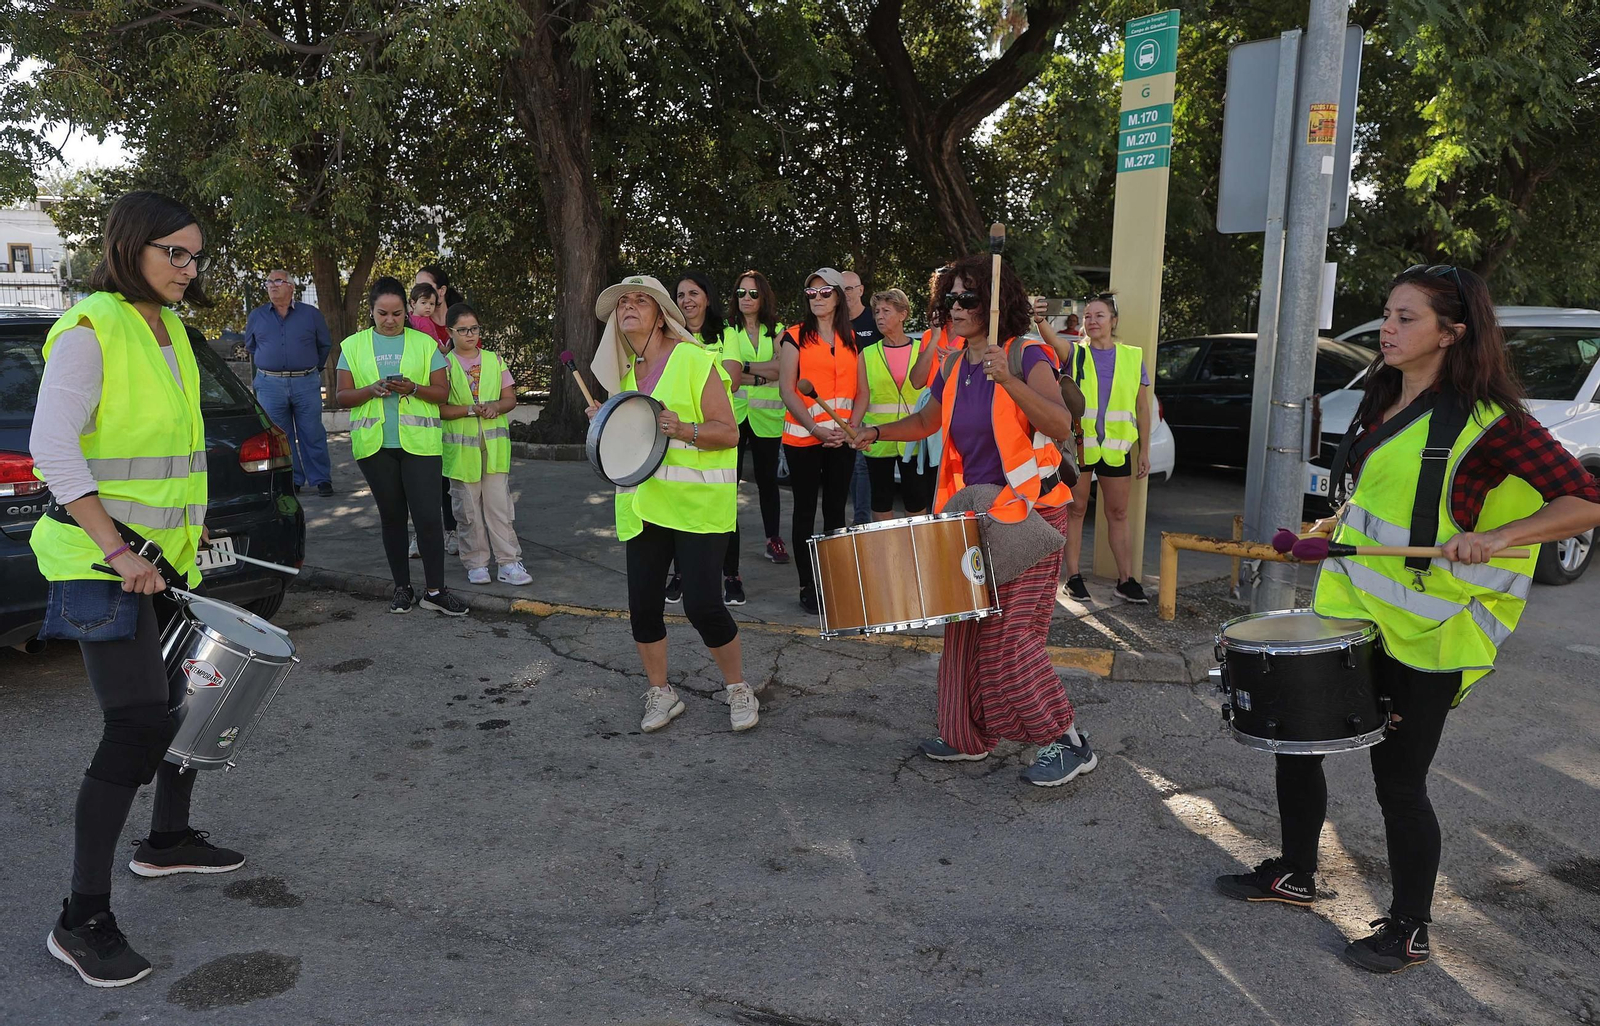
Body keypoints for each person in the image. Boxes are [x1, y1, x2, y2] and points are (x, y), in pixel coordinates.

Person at [1215, 264, 1600, 973]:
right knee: (1295, 742)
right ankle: (1294, 872)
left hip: (1427, 634)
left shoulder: (1495, 424)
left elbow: (1584, 501)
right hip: (1349, 609)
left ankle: (1411, 927)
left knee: (1399, 784)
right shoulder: (1381, 396)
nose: (1387, 330)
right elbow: (1381, 497)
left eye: (1405, 318)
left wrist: (1501, 536)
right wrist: (1329, 525)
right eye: (1386, 315)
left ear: (1452, 334)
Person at [29, 191, 246, 988]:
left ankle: (167, 842)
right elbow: (52, 446)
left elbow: (174, 453)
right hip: (101, 562)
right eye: (173, 254)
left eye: (195, 255)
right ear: (131, 248)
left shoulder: (173, 333)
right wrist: (119, 551)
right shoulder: (93, 328)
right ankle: (80, 919)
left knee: (187, 697)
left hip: (166, 556)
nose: (188, 269)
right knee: (136, 724)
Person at [856, 254, 1087, 787]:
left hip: (1031, 517)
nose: (953, 308)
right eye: (949, 299)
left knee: (1012, 637)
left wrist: (1008, 380)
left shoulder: (1025, 354)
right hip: (976, 513)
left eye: (966, 298)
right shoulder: (957, 361)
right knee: (964, 631)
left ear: (994, 301)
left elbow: (1059, 422)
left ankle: (1066, 739)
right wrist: (874, 433)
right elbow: (926, 421)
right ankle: (967, 736)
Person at [585, 275, 760, 733]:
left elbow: (729, 432)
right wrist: (605, 423)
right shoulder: (626, 377)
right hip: (645, 506)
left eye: (641, 300)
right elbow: (629, 448)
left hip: (698, 505)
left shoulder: (693, 360)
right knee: (643, 607)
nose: (629, 306)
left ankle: (738, 687)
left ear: (661, 315)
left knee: (703, 605)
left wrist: (685, 430)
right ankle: (661, 693)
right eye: (624, 300)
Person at [334, 277, 470, 616]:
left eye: (397, 313)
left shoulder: (424, 344)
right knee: (392, 517)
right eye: (382, 313)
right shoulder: (353, 345)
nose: (390, 320)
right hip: (375, 446)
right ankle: (402, 589)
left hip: (420, 445)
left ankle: (436, 591)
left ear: (406, 312)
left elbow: (441, 393)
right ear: (371, 311)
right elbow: (342, 396)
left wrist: (412, 388)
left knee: (427, 517)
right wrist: (372, 389)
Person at [780, 267, 861, 614]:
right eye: (811, 293)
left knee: (835, 513)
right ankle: (807, 586)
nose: (817, 298)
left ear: (839, 296)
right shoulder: (794, 335)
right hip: (803, 440)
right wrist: (815, 430)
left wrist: (850, 428)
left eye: (825, 292)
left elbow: (863, 392)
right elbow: (787, 389)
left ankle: (832, 582)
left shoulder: (853, 338)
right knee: (805, 511)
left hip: (841, 440)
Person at [1062, 293, 1152, 604]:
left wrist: (1144, 451)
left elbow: (1142, 408)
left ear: (1113, 322)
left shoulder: (1132, 356)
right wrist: (1039, 321)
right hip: (1081, 445)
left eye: (1099, 315)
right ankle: (1073, 577)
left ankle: (1126, 580)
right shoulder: (1075, 353)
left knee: (1118, 512)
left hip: (1116, 448)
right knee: (1076, 510)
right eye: (1087, 316)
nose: (1092, 321)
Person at [440, 302, 530, 586]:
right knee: (467, 509)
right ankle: (476, 563)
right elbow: (440, 408)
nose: (470, 334)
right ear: (450, 332)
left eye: (474, 328)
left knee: (499, 507)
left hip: (494, 448)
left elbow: (510, 399)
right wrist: (470, 410)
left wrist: (496, 407)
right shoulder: (443, 364)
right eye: (463, 330)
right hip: (461, 451)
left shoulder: (494, 360)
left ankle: (509, 562)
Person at [676, 272, 747, 605]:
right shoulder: (668, 335)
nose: (687, 300)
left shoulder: (726, 333)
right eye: (680, 295)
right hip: (678, 433)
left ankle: (730, 576)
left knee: (723, 506)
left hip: (718, 431)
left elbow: (731, 379)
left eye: (693, 293)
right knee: (678, 503)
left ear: (707, 297)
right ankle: (679, 574)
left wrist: (691, 371)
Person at [244, 268, 335, 496]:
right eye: (269, 282)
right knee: (279, 436)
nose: (273, 285)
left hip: (305, 382)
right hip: (270, 384)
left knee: (312, 432)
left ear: (291, 286)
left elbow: (324, 345)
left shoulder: (310, 314)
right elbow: (251, 346)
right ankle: (291, 480)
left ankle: (321, 479)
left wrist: (312, 368)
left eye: (278, 281)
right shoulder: (257, 316)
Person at [856, 288, 935, 519]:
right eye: (876, 311)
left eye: (886, 311)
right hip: (877, 439)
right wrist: (853, 427)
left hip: (916, 439)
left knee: (916, 498)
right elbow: (862, 395)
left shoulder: (922, 350)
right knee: (880, 500)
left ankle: (917, 551)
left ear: (903, 314)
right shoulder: (867, 354)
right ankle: (887, 552)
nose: (879, 316)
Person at [729, 269, 787, 564]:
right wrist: (763, 371)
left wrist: (746, 367)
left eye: (752, 293)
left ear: (763, 296)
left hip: (767, 418)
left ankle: (773, 538)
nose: (746, 298)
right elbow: (729, 372)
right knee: (729, 480)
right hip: (734, 416)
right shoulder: (727, 329)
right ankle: (725, 540)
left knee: (768, 481)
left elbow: (781, 369)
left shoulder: (777, 330)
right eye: (741, 293)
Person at [405, 277, 458, 559]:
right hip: (416, 423)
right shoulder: (409, 330)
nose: (427, 307)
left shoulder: (451, 326)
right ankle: (424, 535)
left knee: (445, 479)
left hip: (440, 415)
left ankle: (449, 531)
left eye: (431, 302)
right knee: (422, 483)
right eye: (423, 302)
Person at [840, 270, 880, 527]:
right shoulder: (836, 323)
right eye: (841, 290)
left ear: (861, 290)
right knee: (849, 465)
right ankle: (855, 519)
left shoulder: (874, 320)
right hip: (843, 402)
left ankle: (862, 520)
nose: (846, 294)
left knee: (861, 465)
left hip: (872, 402)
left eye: (850, 289)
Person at [408, 283, 452, 348]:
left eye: (432, 304)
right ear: (413, 304)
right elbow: (431, 341)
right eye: (423, 303)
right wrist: (441, 348)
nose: (428, 307)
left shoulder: (408, 317)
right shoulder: (424, 322)